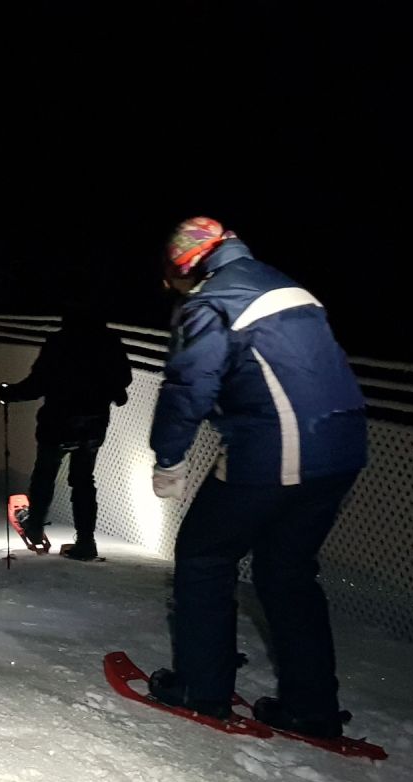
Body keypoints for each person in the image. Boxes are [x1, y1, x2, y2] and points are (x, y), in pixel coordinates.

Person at [144, 216, 368, 738]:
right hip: (344, 448)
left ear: (187, 265)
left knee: (204, 554)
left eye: (171, 278)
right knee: (286, 571)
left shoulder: (213, 302)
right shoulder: (287, 287)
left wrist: (169, 458)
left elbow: (190, 386)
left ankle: (203, 688)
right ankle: (311, 709)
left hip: (281, 446)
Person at [0, 306, 133, 560]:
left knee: (45, 473)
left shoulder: (59, 342)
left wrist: (10, 393)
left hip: (59, 421)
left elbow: (38, 383)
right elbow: (124, 377)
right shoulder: (109, 341)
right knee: (83, 480)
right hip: (94, 423)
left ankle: (35, 529)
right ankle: (85, 542)